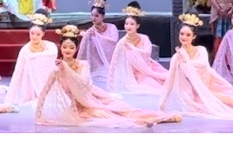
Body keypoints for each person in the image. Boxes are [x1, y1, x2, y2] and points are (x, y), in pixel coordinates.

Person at [36, 25, 181, 128]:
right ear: (60, 48)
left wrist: (66, 68)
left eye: (71, 47)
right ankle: (145, 122)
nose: (68, 50)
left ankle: (163, 117)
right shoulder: (57, 70)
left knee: (124, 109)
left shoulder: (82, 64)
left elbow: (83, 83)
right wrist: (38, 117)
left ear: (76, 49)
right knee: (106, 116)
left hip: (94, 97)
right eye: (65, 47)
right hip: (81, 107)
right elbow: (44, 92)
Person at [107, 1, 169, 94]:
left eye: (132, 24)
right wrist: (111, 82)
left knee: (162, 82)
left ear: (138, 25)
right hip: (131, 74)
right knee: (148, 87)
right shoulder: (122, 43)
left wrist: (132, 49)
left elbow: (147, 53)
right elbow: (114, 63)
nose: (128, 26)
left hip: (146, 69)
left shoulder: (144, 38)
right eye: (126, 23)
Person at [4, 12, 59, 105]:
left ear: (43, 34)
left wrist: (35, 57)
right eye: (32, 33)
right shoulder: (25, 49)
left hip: (44, 77)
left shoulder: (50, 45)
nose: (34, 37)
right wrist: (11, 96)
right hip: (30, 80)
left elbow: (53, 54)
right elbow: (18, 71)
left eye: (38, 34)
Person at [77, 0, 118, 88]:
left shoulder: (112, 28)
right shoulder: (90, 31)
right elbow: (86, 50)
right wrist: (87, 37)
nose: (93, 18)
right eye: (91, 15)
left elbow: (113, 43)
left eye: (96, 15)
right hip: (95, 67)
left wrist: (97, 37)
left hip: (110, 63)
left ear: (103, 16)